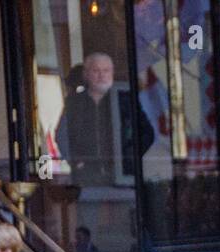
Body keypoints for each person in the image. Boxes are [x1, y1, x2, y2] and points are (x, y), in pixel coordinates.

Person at [55, 52, 154, 186]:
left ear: (112, 73)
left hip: (122, 178)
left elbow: (148, 133)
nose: (101, 75)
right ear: (86, 74)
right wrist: (74, 161)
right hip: (85, 178)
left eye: (106, 71)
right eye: (96, 71)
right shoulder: (74, 102)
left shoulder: (125, 100)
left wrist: (129, 158)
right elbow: (62, 135)